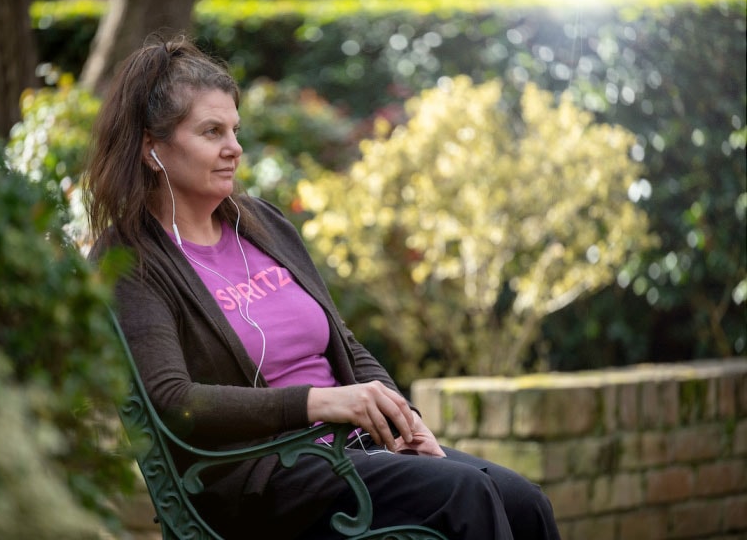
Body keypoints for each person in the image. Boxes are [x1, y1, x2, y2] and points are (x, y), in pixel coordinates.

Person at [85, 31, 560, 540]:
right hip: (262, 475)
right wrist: (318, 402)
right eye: (211, 132)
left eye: (235, 130)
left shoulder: (262, 223)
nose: (234, 148)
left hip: (349, 450)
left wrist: (405, 420)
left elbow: (345, 344)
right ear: (152, 148)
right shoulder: (133, 258)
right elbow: (172, 399)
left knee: (524, 501)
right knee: (464, 494)